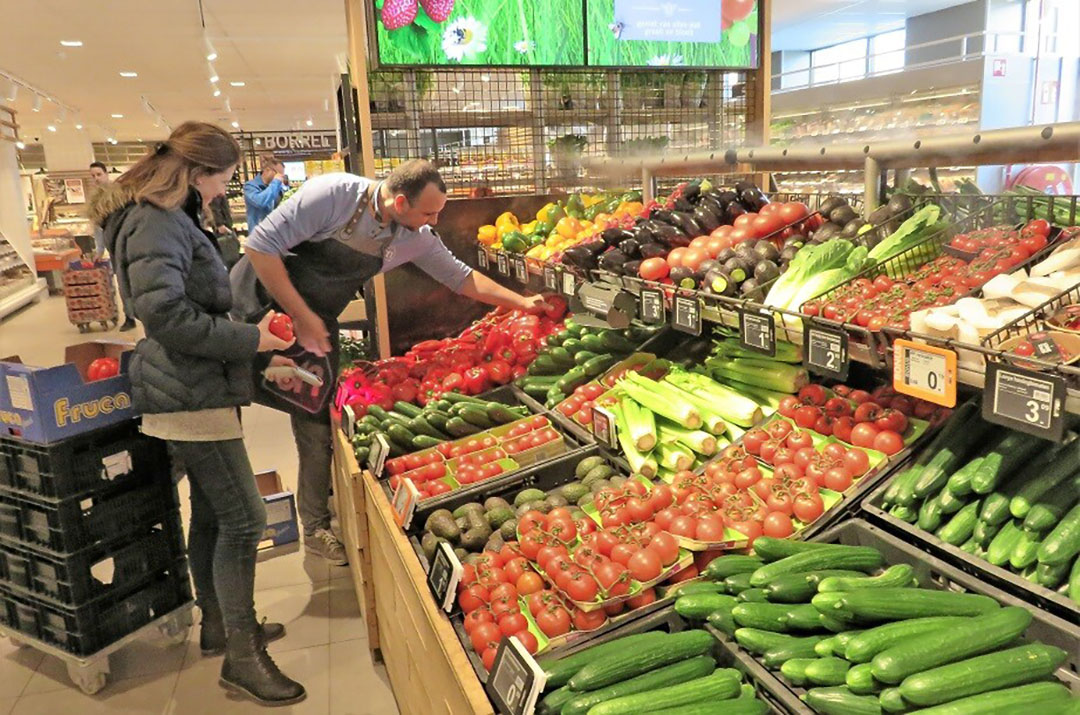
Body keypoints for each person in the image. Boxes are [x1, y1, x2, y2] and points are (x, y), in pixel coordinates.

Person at [230, 160, 548, 566]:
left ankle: (312, 525)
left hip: (311, 317)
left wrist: (521, 301)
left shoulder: (415, 235)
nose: (434, 222)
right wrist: (300, 317)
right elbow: (259, 247)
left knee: (312, 418)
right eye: (428, 213)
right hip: (254, 305)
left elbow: (460, 277)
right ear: (400, 201)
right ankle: (240, 523)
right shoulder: (332, 195)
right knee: (230, 400)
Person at [89, 122, 306, 707]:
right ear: (198, 172)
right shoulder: (156, 221)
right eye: (224, 179)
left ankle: (219, 626)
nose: (223, 190)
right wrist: (249, 342)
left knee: (213, 512)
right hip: (186, 394)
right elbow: (168, 318)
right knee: (245, 521)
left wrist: (252, 353)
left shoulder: (168, 218)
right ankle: (243, 657)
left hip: (198, 387)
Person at [88, 161, 137, 331]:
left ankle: (141, 313)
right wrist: (100, 249)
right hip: (114, 246)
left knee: (138, 279)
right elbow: (97, 228)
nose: (96, 178)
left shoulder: (119, 195)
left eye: (99, 174)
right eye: (93, 176)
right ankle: (129, 317)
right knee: (123, 282)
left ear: (106, 173)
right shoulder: (96, 201)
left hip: (129, 243)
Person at [243, 153, 288, 230]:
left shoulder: (278, 187)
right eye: (278, 174)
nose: (280, 177)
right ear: (267, 170)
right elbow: (260, 202)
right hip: (260, 234)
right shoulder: (250, 186)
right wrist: (276, 182)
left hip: (277, 233)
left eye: (282, 175)